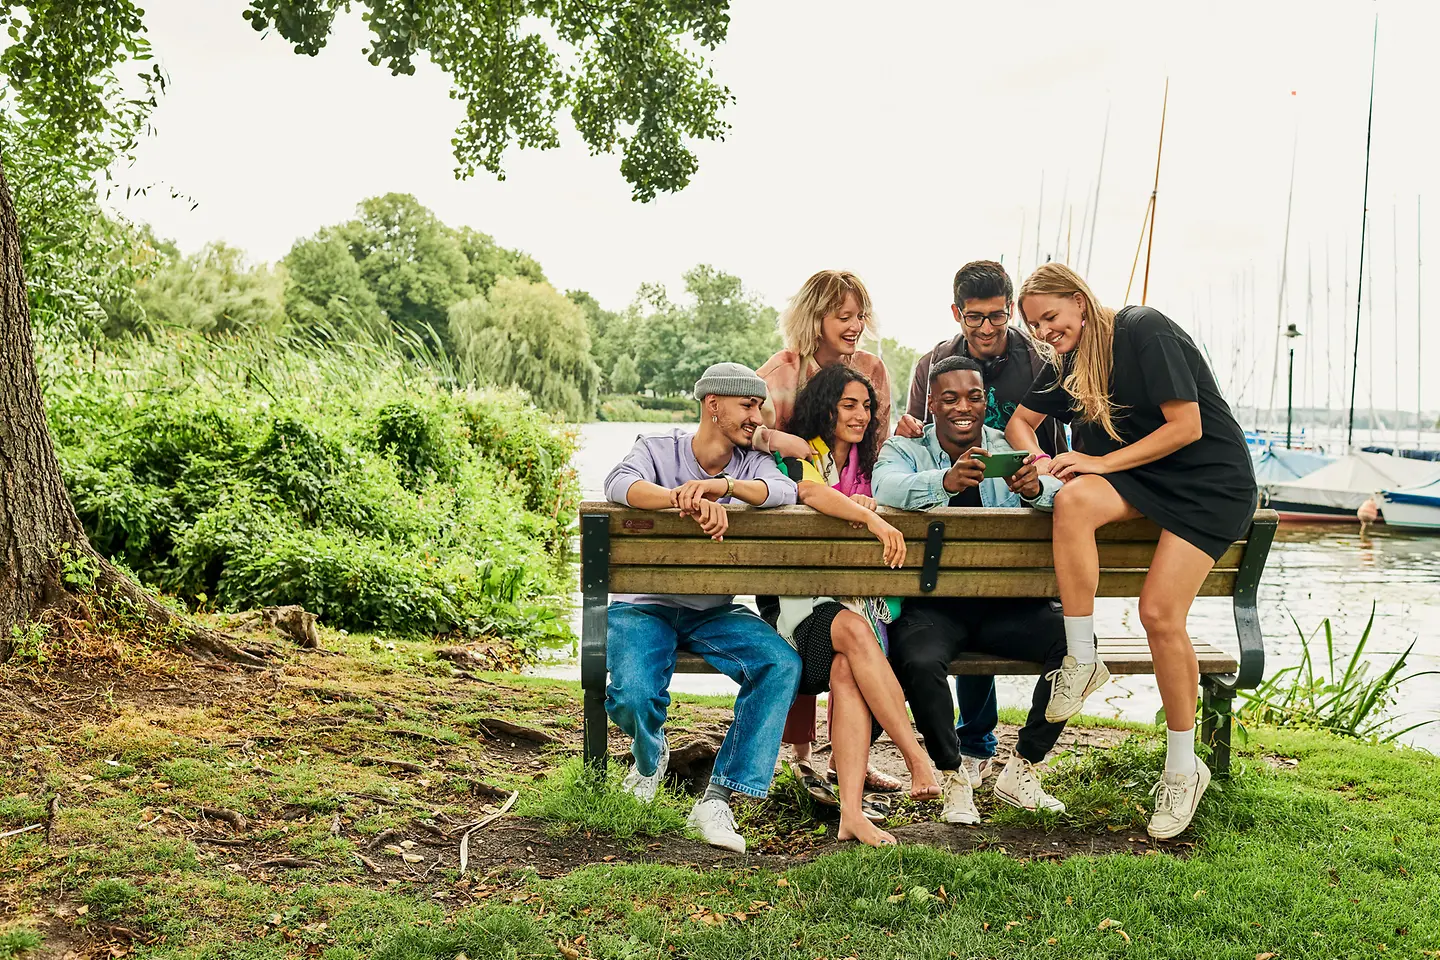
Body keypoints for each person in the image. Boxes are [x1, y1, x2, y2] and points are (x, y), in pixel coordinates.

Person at [1005, 263, 1258, 840]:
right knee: (1072, 503)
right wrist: (1044, 465)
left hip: (1206, 483)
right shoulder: (1067, 364)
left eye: (1051, 316)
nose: (1044, 331)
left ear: (1081, 300)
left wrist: (1095, 462)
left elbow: (1186, 426)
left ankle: (1181, 767)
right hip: (1142, 479)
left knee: (1159, 615)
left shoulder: (1144, 329)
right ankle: (1081, 657)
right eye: (1035, 325)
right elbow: (1022, 421)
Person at [602, 362, 803, 853]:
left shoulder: (750, 461)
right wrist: (682, 500)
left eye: (759, 406)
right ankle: (650, 758)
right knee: (631, 698)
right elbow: (618, 484)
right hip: (642, 607)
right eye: (748, 406)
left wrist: (723, 489)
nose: (758, 417)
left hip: (712, 611)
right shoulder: (656, 449)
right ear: (712, 404)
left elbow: (784, 490)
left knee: (780, 663)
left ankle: (718, 799)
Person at [874, 355, 1072, 825]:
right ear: (931, 404)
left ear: (987, 402)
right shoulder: (906, 450)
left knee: (1075, 648)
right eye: (950, 398)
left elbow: (1062, 496)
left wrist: (1032, 490)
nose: (964, 407)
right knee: (920, 661)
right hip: (936, 607)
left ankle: (1023, 766)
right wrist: (943, 481)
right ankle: (953, 776)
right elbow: (886, 486)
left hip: (1007, 605)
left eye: (974, 397)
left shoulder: (1011, 447)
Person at [752, 364, 940, 845]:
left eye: (867, 405)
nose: (861, 414)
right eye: (849, 405)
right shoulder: (800, 455)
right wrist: (873, 521)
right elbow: (811, 492)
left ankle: (851, 814)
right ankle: (916, 755)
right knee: (855, 630)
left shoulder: (873, 463)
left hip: (844, 608)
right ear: (826, 407)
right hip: (795, 608)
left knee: (845, 671)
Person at [756, 269, 919, 800]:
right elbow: (743, 431)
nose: (854, 326)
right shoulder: (782, 371)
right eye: (842, 316)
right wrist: (783, 440)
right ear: (816, 317)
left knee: (851, 639)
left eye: (859, 316)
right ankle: (805, 754)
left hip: (847, 530)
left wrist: (902, 440)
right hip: (794, 523)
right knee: (834, 619)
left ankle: (855, 763)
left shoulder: (870, 368)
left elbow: (876, 442)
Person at [899, 260, 1068, 457]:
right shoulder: (930, 366)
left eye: (997, 316)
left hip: (1034, 480)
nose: (986, 329)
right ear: (956, 313)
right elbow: (915, 443)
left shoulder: (1045, 359)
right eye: (974, 317)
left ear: (1011, 310)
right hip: (957, 483)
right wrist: (907, 431)